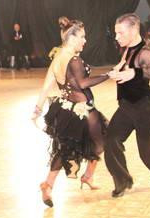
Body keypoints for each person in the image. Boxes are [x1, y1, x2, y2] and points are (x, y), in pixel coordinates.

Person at [32, 22, 109, 207]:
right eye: (82, 36)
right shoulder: (73, 60)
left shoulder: (58, 57)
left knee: (65, 148)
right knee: (102, 138)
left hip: (66, 109)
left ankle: (49, 184)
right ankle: (86, 176)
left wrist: (37, 109)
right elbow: (83, 83)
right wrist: (108, 75)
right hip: (82, 110)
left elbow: (46, 86)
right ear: (72, 38)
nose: (85, 40)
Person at [105, 13, 150, 197]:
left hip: (146, 109)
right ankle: (122, 181)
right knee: (111, 140)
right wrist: (116, 70)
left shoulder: (145, 53)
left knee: (148, 154)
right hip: (127, 107)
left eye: (120, 33)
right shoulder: (127, 49)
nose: (116, 37)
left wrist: (136, 73)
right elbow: (124, 65)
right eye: (116, 33)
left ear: (134, 30)